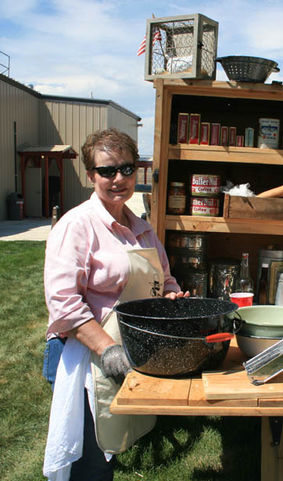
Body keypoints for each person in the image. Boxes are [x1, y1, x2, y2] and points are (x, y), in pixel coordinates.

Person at [42, 128, 187, 481]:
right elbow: (64, 304)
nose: (118, 178)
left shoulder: (141, 228)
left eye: (126, 168)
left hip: (127, 349)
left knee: (113, 443)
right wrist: (108, 351)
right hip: (83, 355)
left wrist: (170, 298)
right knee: (89, 463)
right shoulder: (77, 226)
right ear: (91, 175)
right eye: (107, 171)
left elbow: (164, 279)